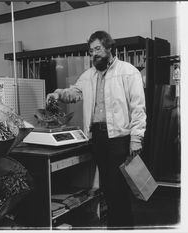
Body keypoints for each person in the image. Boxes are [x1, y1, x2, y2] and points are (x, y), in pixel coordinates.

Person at [46, 31, 146, 228]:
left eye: (98, 49)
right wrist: (58, 94)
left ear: (109, 48)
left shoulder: (128, 71)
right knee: (108, 189)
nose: (94, 54)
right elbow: (74, 93)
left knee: (119, 189)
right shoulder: (88, 76)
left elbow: (138, 108)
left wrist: (136, 138)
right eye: (91, 51)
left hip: (119, 138)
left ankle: (123, 228)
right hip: (97, 138)